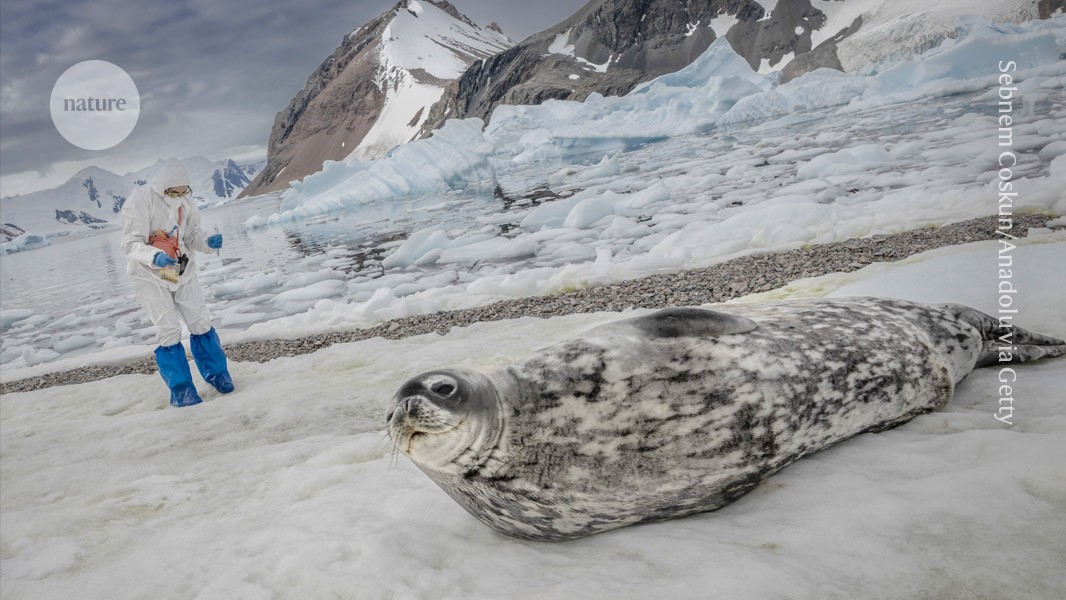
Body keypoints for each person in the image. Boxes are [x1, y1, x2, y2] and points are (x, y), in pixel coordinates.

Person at [120, 160, 234, 407]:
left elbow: (192, 235)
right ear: (163, 188)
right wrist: (153, 256)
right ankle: (182, 391)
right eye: (175, 192)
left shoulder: (186, 202)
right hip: (148, 274)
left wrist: (207, 242)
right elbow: (130, 244)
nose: (180, 196)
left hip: (181, 269)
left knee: (200, 320)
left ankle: (218, 375)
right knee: (169, 328)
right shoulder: (140, 201)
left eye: (184, 192)